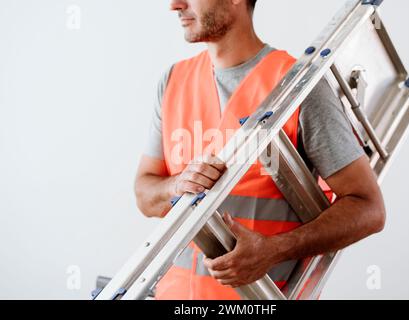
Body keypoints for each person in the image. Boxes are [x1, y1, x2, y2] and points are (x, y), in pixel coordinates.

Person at [135, 0, 386, 300]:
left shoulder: (298, 87)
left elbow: (369, 208)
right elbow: (144, 193)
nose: (175, 5)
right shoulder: (173, 81)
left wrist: (274, 250)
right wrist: (175, 185)